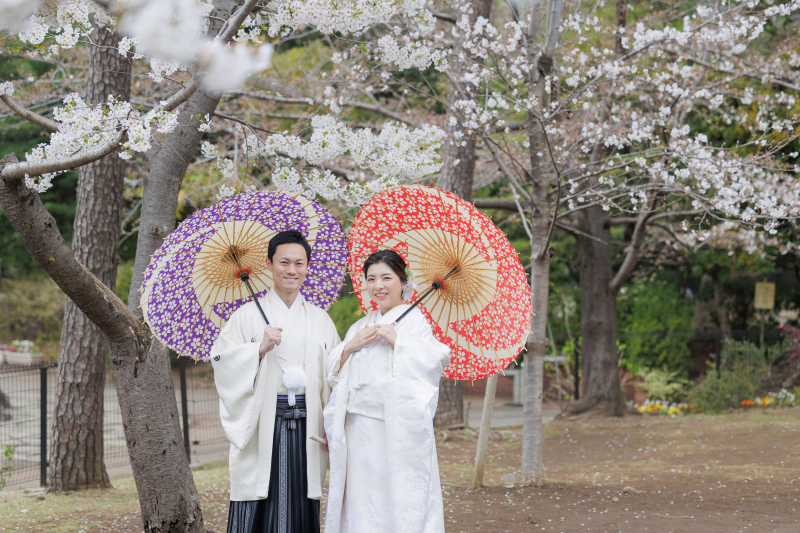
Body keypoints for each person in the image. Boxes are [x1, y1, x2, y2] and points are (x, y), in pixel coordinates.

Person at [210, 230, 340, 533]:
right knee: (258, 496)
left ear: (307, 266)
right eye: (284, 262)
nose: (291, 270)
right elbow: (221, 362)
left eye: (299, 263)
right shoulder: (245, 316)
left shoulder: (321, 319)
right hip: (262, 422)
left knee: (300, 498)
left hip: (308, 424)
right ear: (269, 265)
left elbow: (336, 371)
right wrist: (257, 349)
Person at [323, 250, 450, 533]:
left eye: (386, 278)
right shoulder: (361, 325)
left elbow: (434, 362)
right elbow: (333, 370)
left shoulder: (416, 322)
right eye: (371, 279)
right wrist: (350, 347)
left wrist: (399, 343)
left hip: (393, 429)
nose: (378, 285)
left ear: (403, 282)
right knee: (361, 499)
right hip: (357, 428)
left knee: (393, 498)